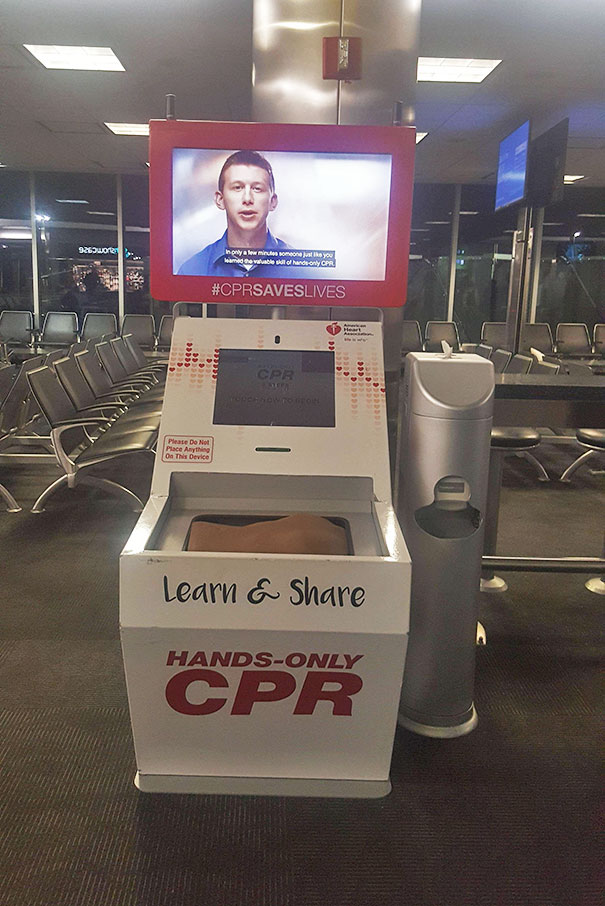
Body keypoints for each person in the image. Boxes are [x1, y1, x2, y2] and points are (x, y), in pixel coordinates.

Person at [177, 150, 317, 278]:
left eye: (257, 188)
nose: (248, 199)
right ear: (220, 200)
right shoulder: (192, 270)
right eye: (237, 187)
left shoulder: (301, 270)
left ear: (273, 202)